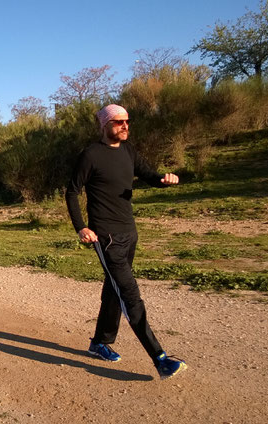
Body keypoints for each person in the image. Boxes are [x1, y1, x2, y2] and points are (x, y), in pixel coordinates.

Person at [64, 104, 187, 380]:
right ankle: (160, 359)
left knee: (114, 289)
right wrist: (81, 227)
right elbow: (72, 192)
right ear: (105, 125)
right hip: (105, 237)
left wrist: (163, 179)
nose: (125, 126)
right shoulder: (90, 155)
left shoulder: (129, 151)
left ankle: (99, 342)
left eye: (127, 122)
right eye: (119, 122)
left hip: (129, 233)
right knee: (129, 294)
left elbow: (148, 174)